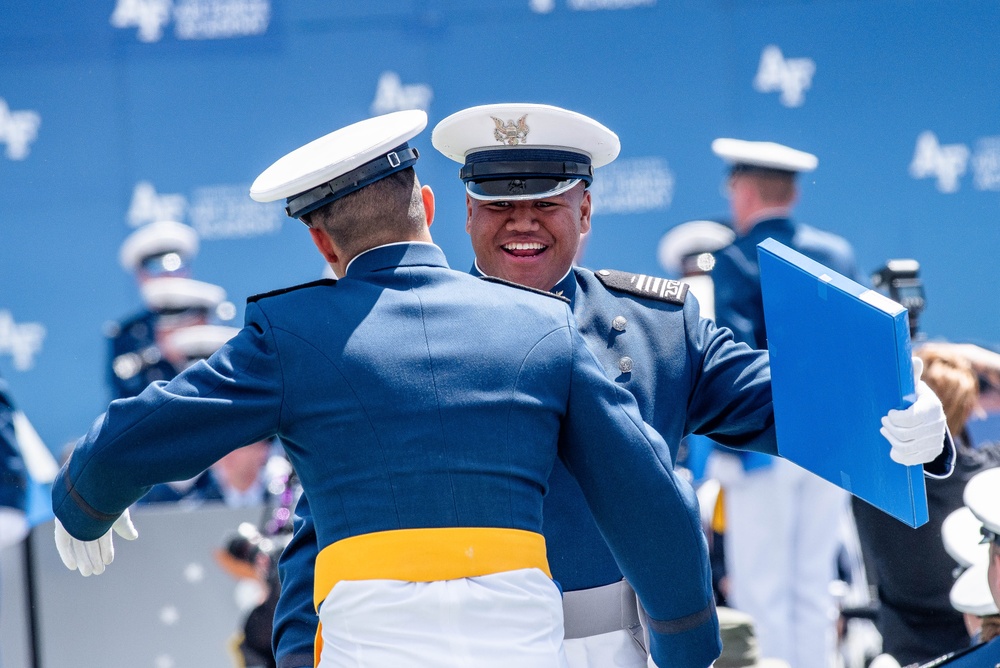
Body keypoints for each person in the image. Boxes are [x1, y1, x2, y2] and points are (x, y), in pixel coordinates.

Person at [271, 103, 954, 668]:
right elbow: (330, 522)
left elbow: (776, 397)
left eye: (547, 201)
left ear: (587, 210)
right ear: (467, 215)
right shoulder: (399, 336)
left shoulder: (658, 327)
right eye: (500, 203)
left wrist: (900, 411)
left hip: (614, 645)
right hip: (454, 646)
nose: (523, 222)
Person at [51, 110, 723, 668]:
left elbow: (155, 427)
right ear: (427, 205)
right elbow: (647, 496)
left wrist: (87, 497)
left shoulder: (291, 334)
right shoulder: (542, 322)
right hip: (519, 643)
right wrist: (687, 644)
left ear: (321, 241)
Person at [707, 137, 887, 668]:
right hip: (834, 444)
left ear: (743, 191)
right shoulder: (836, 253)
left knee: (762, 588)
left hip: (767, 442)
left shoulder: (736, 258)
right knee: (813, 585)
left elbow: (734, 362)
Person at [853, 345, 1000, 663]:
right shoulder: (988, 475)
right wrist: (974, 356)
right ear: (968, 407)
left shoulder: (870, 479)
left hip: (900, 653)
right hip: (980, 651)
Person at [106, 219, 201, 399]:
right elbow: (123, 396)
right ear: (140, 276)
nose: (167, 274)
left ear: (188, 270)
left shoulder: (211, 315)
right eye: (155, 267)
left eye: (175, 264)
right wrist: (161, 351)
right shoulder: (129, 333)